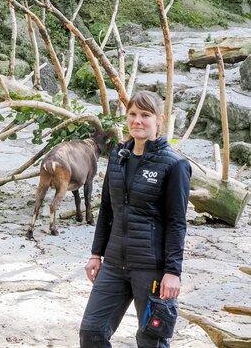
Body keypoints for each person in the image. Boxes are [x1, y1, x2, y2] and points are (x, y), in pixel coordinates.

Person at [79, 91, 192, 347]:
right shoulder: (118, 158)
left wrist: (173, 272)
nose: (137, 121)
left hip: (151, 269)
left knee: (152, 340)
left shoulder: (175, 165)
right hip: (114, 264)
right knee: (91, 333)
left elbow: (177, 222)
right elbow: (107, 209)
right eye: (132, 114)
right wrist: (96, 254)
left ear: (158, 120)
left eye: (145, 115)